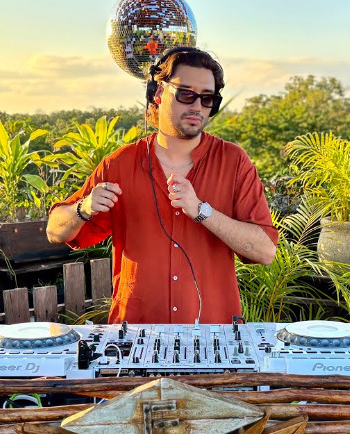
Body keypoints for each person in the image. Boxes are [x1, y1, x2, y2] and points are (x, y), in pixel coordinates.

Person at [46, 47, 278, 325]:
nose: (197, 106)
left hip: (213, 334)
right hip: (135, 333)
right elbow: (54, 230)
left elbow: (265, 251)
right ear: (158, 93)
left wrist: (202, 211)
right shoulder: (119, 164)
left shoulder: (234, 162)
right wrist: (83, 208)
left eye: (207, 98)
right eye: (186, 94)